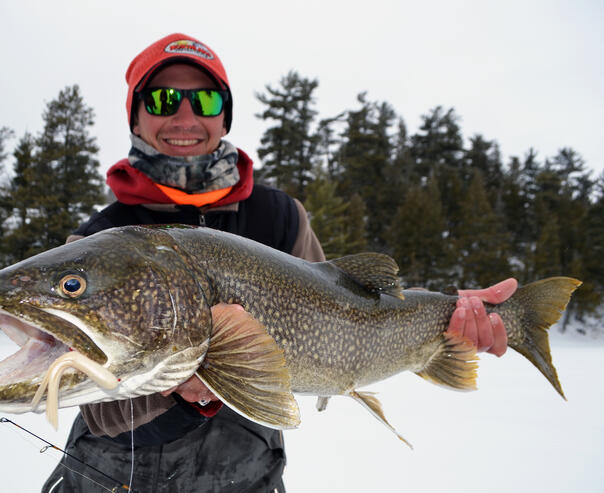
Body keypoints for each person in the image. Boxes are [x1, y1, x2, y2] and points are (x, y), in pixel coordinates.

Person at [42, 33, 515, 493]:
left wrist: (444, 323)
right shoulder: (100, 241)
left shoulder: (279, 216)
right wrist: (176, 393)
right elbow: (89, 401)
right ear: (136, 117)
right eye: (163, 100)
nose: (184, 115)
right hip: (109, 479)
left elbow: (347, 321)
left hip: (247, 477)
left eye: (205, 101)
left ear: (224, 117)